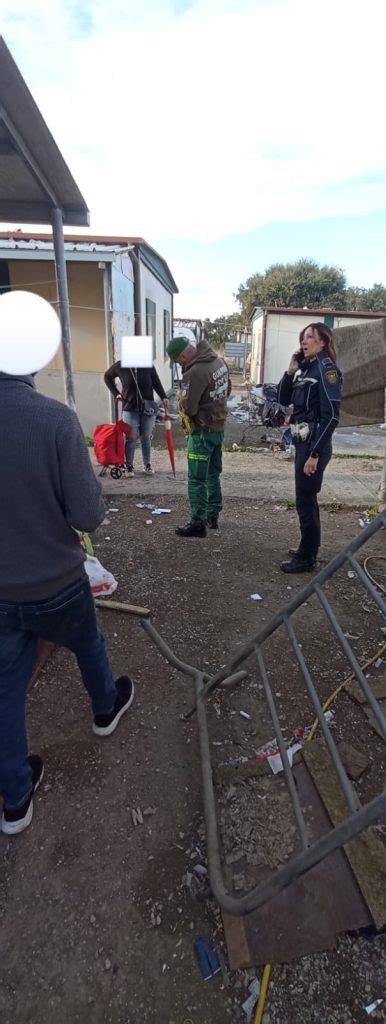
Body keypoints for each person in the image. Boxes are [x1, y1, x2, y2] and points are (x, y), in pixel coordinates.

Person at [0, 370, 133, 835]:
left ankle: (14, 800)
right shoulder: (54, 420)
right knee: (88, 642)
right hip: (55, 581)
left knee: (5, 687)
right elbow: (87, 515)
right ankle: (104, 709)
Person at [277, 323, 342, 574]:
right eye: (302, 338)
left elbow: (332, 417)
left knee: (305, 500)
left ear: (323, 342)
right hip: (302, 442)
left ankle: (307, 558)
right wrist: (291, 370)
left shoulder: (327, 371)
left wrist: (315, 453)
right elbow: (283, 400)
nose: (304, 342)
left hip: (314, 445)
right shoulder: (306, 370)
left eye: (310, 338)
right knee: (305, 500)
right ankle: (307, 548)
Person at [166, 335, 231, 537]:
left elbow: (190, 408)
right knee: (213, 474)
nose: (179, 364)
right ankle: (213, 516)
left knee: (196, 479)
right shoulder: (218, 361)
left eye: (178, 360)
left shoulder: (194, 372)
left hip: (201, 432)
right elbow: (227, 389)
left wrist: (181, 399)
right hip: (218, 428)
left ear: (184, 354)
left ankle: (197, 523)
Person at [104, 360, 169, 477]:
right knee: (131, 437)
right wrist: (116, 393)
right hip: (129, 407)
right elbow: (107, 377)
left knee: (146, 437)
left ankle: (147, 464)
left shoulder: (148, 364)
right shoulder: (120, 365)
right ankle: (129, 466)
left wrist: (163, 396)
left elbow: (156, 381)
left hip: (148, 407)